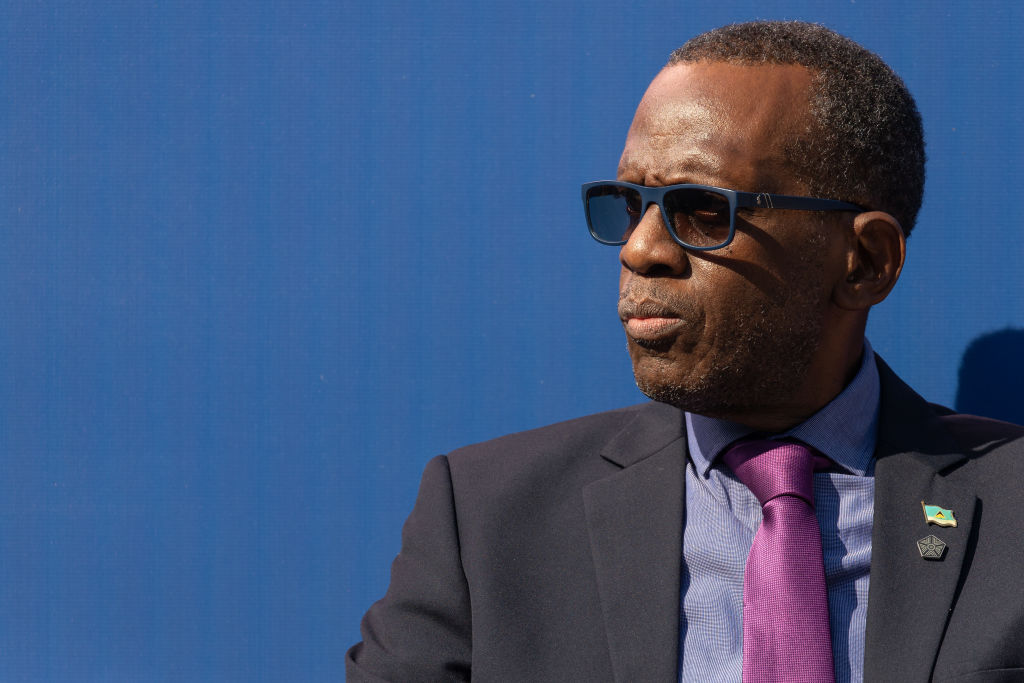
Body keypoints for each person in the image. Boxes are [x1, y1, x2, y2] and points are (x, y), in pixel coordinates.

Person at [346, 21, 1024, 682]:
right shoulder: (486, 519)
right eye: (628, 204)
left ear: (866, 261)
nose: (641, 250)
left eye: (701, 209)